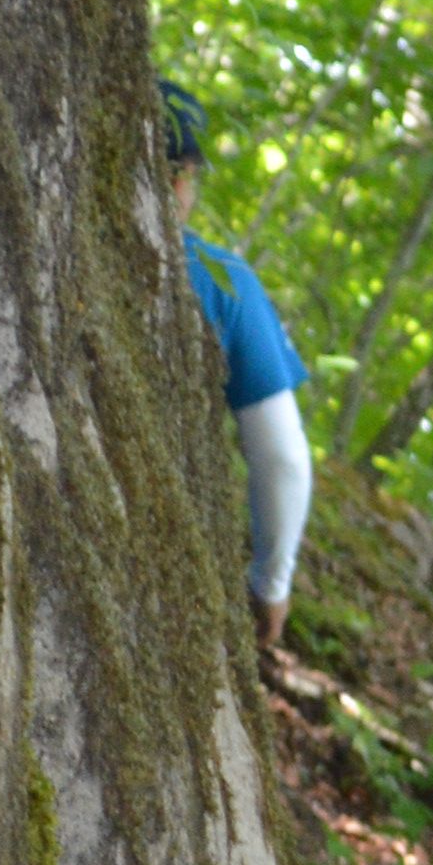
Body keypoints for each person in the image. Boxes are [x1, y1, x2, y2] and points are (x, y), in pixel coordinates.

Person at [160, 76, 312, 679]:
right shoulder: (222, 282)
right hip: (164, 553)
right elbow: (281, 459)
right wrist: (270, 584)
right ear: (181, 177)